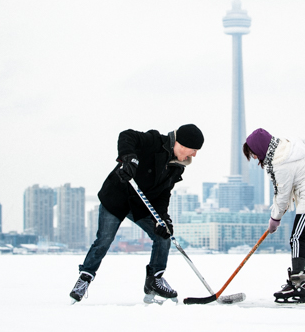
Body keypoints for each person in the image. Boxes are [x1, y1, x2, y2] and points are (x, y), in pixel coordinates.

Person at [69, 124, 204, 304]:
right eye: (193, 150)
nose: (194, 155)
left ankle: (154, 280)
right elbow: (127, 135)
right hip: (117, 197)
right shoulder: (155, 141)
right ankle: (84, 279)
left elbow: (163, 194)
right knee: (104, 240)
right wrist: (129, 159)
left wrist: (163, 219)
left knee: (163, 236)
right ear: (182, 143)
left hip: (140, 205)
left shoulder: (177, 167)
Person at [243, 128, 305, 303]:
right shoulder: (291, 142)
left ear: (260, 148)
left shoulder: (279, 163)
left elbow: (282, 196)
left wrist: (275, 219)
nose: (256, 157)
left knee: (297, 239)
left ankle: (296, 284)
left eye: (254, 153)